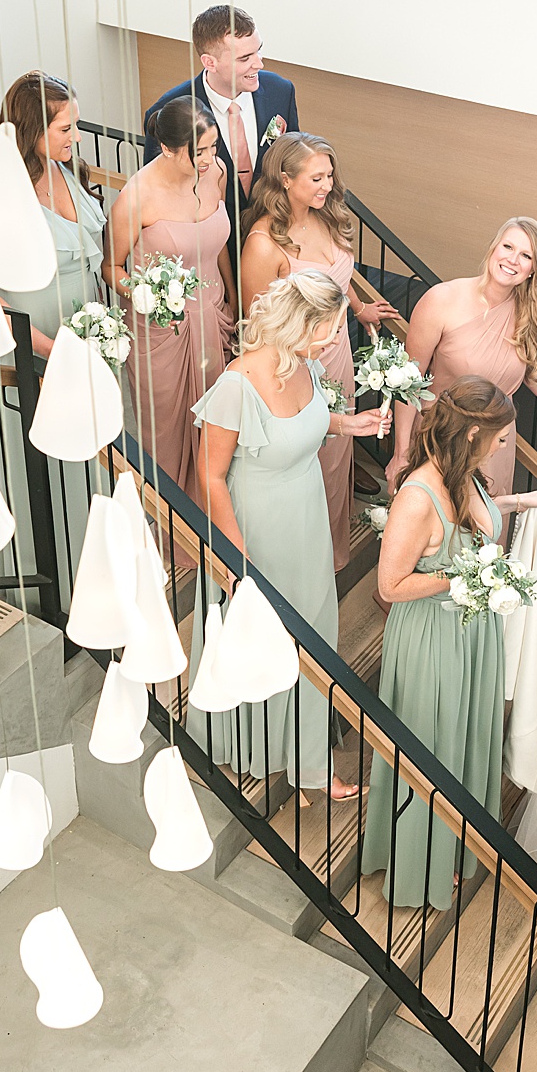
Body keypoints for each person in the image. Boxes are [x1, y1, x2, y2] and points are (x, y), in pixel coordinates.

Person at [359, 378, 537, 910]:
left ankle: (449, 845)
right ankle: (415, 859)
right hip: (431, 639)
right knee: (432, 745)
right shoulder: (417, 497)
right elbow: (390, 586)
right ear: (472, 432)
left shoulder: (466, 474)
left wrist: (522, 501)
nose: (502, 446)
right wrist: (464, 580)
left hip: (474, 635)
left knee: (466, 738)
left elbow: (478, 521)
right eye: (498, 437)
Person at [188, 272, 390, 800]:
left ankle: (305, 758)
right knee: (266, 636)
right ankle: (259, 747)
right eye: (326, 328)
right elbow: (211, 476)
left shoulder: (306, 364)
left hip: (306, 523)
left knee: (314, 637)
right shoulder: (236, 386)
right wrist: (237, 555)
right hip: (258, 530)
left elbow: (306, 424)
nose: (332, 339)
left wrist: (352, 425)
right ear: (296, 322)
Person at [241, 134, 402, 568]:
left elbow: (338, 281)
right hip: (295, 364)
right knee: (305, 454)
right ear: (285, 178)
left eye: (330, 174)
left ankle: (331, 549)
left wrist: (360, 307)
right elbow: (257, 322)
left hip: (338, 352)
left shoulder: (328, 218)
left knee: (335, 456)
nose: (327, 185)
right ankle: (296, 557)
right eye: (317, 177)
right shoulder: (263, 244)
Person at [387, 216, 537, 502]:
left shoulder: (527, 313)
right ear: (493, 248)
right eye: (508, 247)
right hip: (442, 437)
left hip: (495, 445)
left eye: (525, 255)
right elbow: (408, 378)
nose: (513, 259)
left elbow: (534, 373)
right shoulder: (442, 300)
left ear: (533, 270)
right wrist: (401, 453)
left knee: (485, 536)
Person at [105, 93, 234, 505]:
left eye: (213, 147)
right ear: (166, 148)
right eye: (198, 151)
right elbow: (112, 267)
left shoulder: (216, 174)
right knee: (168, 432)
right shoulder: (136, 197)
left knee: (219, 427)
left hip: (215, 320)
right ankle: (172, 530)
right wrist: (147, 298)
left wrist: (233, 297)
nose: (208, 158)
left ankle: (219, 528)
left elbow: (219, 247)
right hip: (161, 332)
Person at [0, 72, 104, 359]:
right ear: (34, 130)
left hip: (86, 332)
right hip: (32, 338)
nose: (76, 137)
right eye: (66, 129)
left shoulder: (66, 167)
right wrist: (49, 349)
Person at [148, 4, 303, 222]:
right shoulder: (167, 112)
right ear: (210, 62)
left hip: (273, 230)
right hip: (208, 237)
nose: (259, 64)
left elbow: (293, 161)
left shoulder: (281, 91)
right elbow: (160, 190)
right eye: (245, 58)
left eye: (258, 51)